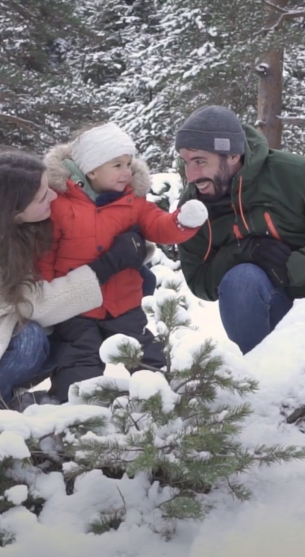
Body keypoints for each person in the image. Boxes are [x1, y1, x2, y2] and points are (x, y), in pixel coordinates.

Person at [0, 151, 149, 413]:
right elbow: (29, 304)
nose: (53, 197)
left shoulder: (14, 195)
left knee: (83, 327)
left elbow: (87, 164)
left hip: (29, 324)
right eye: (43, 196)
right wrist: (105, 266)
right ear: (14, 212)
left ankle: (78, 396)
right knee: (29, 338)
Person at [174, 105, 305, 354]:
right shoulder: (195, 205)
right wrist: (245, 253)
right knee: (241, 280)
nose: (191, 175)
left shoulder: (299, 175)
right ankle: (259, 379)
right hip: (266, 304)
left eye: (200, 161)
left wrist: (295, 268)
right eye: (186, 162)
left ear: (233, 155)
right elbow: (199, 280)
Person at [38, 123, 208, 402]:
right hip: (77, 308)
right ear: (91, 170)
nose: (127, 172)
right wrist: (45, 297)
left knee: (144, 355)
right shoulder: (60, 204)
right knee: (78, 360)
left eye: (128, 164)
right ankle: (76, 411)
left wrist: (181, 222)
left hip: (123, 302)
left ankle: (160, 401)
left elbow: (157, 224)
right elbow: (45, 252)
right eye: (117, 165)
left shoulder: (132, 202)